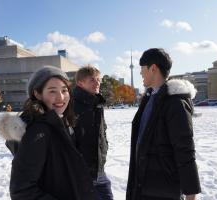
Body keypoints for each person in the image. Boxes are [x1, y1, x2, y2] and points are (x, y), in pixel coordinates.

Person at [0, 66, 97, 200]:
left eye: (64, 90)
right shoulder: (37, 131)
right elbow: (21, 190)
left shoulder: (62, 122)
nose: (61, 97)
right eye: (52, 91)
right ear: (37, 94)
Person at [126, 48, 201, 200]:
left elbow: (184, 149)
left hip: (164, 190)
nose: (141, 73)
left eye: (142, 69)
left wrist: (190, 193)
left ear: (153, 68)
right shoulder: (148, 98)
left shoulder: (175, 103)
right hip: (143, 185)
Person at [73, 65, 114, 200]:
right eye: (92, 80)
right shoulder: (71, 104)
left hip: (98, 167)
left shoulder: (96, 102)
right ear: (80, 83)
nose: (97, 83)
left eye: (98, 79)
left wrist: (104, 149)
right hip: (81, 170)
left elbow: (102, 131)